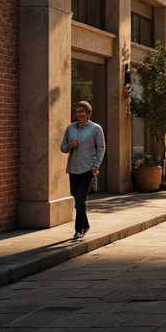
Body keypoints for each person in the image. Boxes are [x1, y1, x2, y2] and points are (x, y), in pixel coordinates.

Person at [59, 100, 106, 241]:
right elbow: (62, 147)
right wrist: (69, 146)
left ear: (88, 113)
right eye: (77, 112)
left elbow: (101, 148)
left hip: (87, 168)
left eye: (82, 111)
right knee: (76, 196)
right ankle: (86, 225)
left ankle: (78, 230)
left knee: (80, 199)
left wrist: (95, 166)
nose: (79, 114)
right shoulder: (70, 128)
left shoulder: (95, 128)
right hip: (73, 167)